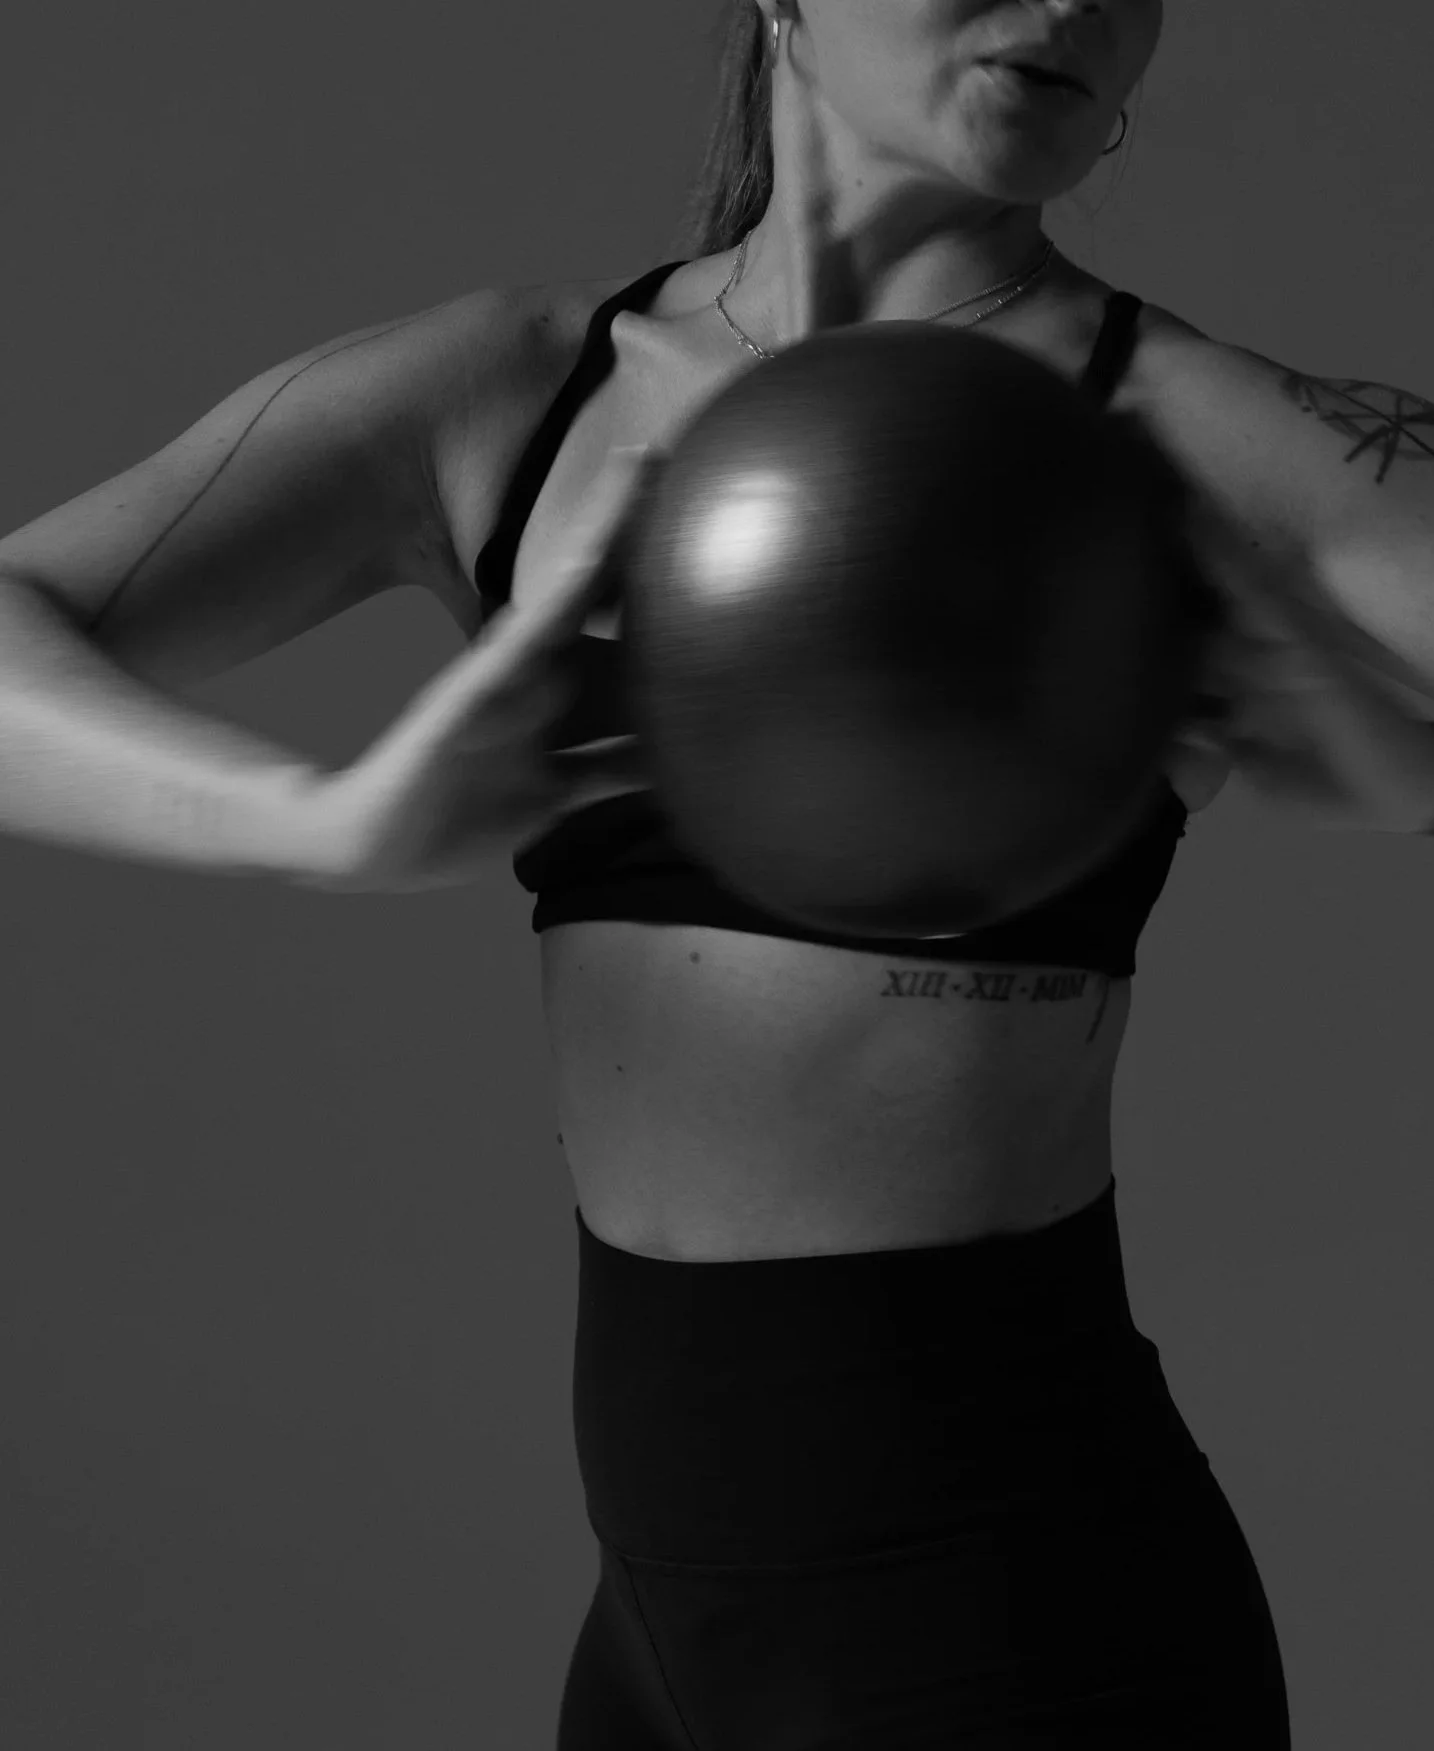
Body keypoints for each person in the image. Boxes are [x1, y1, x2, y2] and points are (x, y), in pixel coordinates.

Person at [0, 3, 1340, 1746]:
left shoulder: (1184, 442)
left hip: (1011, 1617)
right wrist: (313, 822)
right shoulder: (518, 399)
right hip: (655, 1628)